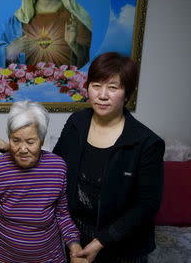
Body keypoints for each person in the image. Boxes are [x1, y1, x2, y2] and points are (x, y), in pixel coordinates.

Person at [53, 52, 165, 262]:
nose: (102, 95)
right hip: (76, 235)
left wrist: (100, 241)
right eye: (96, 85)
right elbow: (56, 165)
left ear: (127, 93)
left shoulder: (147, 143)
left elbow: (147, 205)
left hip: (122, 242)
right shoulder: (77, 122)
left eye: (112, 88)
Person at [0, 101, 85, 263]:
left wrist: (75, 247)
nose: (22, 149)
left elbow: (62, 214)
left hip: (49, 258)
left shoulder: (57, 167)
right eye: (15, 141)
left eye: (30, 142)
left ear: (42, 139)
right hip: (3, 256)